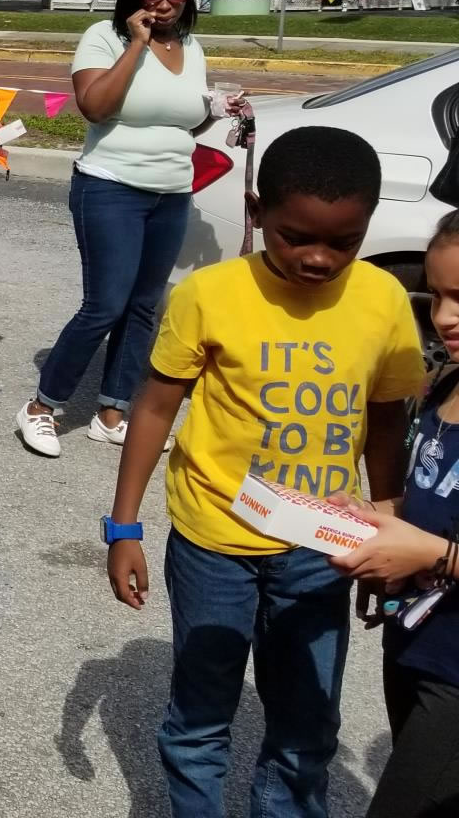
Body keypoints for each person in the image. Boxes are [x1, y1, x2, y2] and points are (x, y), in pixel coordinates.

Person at [103, 126, 424, 818]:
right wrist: (122, 526)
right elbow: (155, 407)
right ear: (256, 210)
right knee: (200, 714)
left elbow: (386, 422)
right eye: (295, 237)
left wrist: (388, 526)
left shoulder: (384, 300)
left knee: (308, 723)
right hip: (213, 540)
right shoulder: (209, 294)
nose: (319, 258)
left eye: (344, 242)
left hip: (323, 547)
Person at [16, 0, 214, 459]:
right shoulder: (103, 37)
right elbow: (95, 107)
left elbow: (184, 121)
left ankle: (112, 412)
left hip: (172, 191)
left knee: (144, 307)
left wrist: (219, 111)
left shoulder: (192, 47)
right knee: (104, 305)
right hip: (110, 186)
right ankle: (41, 406)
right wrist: (136, 45)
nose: (165, 5)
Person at [328, 210, 459, 817]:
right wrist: (376, 518)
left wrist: (432, 554)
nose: (445, 317)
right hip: (414, 642)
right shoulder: (444, 385)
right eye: (438, 295)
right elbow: (432, 497)